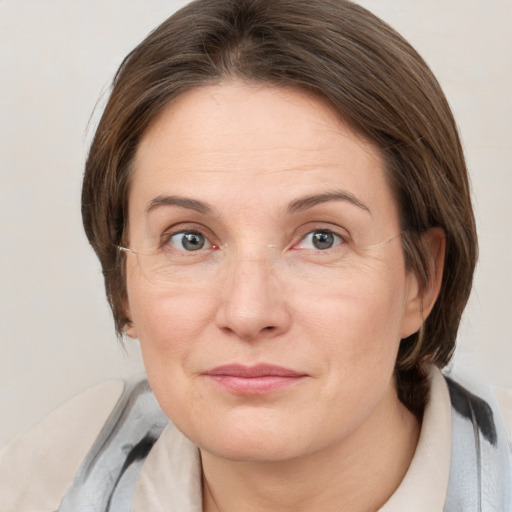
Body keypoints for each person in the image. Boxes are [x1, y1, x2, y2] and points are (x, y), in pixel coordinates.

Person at [1, 0, 511, 510]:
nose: (248, 312)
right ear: (122, 282)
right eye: (190, 239)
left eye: (321, 238)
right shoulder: (42, 483)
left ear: (420, 280)